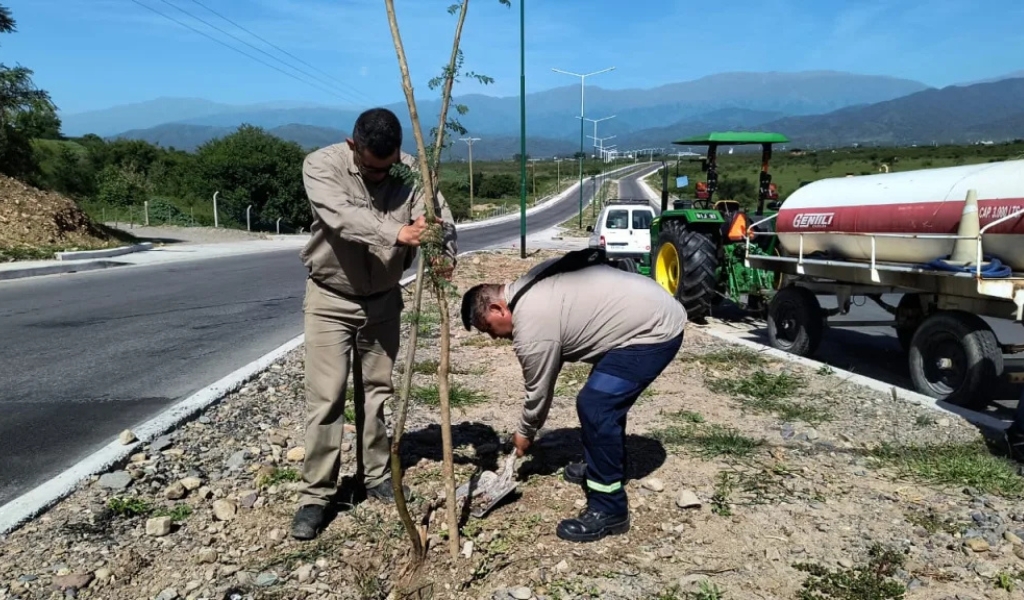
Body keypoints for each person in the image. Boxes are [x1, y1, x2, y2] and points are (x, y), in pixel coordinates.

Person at [291, 107, 457, 541]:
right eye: (371, 168)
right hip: (330, 298)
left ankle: (377, 473)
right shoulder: (321, 166)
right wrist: (397, 233)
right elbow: (341, 216)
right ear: (354, 146)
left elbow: (439, 217)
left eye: (389, 167)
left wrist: (443, 250)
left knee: (377, 394)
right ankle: (317, 495)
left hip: (383, 300)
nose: (382, 176)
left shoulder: (411, 172)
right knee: (326, 398)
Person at [459, 249, 686, 542]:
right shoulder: (528, 283)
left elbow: (539, 391)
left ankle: (609, 507)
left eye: (488, 328)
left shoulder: (531, 324)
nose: (494, 337)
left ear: (496, 309)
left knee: (596, 405)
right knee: (600, 398)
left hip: (653, 330)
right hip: (645, 312)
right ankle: (600, 463)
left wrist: (524, 434)